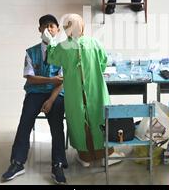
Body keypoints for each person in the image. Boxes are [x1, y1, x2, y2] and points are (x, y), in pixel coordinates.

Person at [43, 14, 124, 167]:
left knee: (79, 120)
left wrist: (51, 42)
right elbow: (103, 62)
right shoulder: (94, 43)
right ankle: (107, 154)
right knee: (99, 117)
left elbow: (52, 58)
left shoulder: (63, 47)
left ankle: (85, 157)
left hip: (74, 94)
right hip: (95, 90)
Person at [1, 14, 68, 185]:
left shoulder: (64, 52)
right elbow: (29, 78)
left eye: (52, 26)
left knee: (57, 125)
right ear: (39, 30)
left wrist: (51, 100)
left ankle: (58, 164)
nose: (48, 29)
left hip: (55, 94)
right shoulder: (31, 52)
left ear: (58, 30)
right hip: (35, 92)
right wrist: (50, 80)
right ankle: (17, 162)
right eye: (45, 26)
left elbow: (63, 81)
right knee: (25, 121)